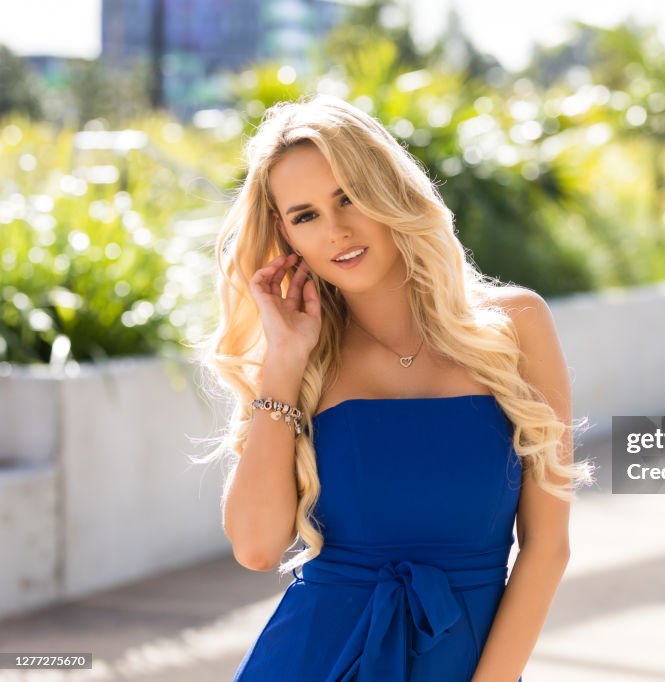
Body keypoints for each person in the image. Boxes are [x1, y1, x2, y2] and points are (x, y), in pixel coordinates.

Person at [194, 93, 595, 681]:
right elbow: (256, 548)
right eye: (305, 216)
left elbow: (547, 548)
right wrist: (283, 360)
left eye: (348, 197)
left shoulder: (515, 325)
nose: (337, 232)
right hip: (314, 659)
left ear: (390, 190)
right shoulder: (304, 359)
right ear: (287, 236)